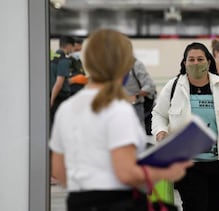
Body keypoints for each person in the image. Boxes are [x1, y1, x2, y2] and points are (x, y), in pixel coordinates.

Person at [49, 28, 192, 211]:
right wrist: (167, 172)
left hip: (78, 202)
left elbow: (59, 172)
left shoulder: (67, 109)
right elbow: (126, 173)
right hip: (117, 204)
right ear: (123, 64)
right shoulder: (118, 110)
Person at [151, 42, 219, 211]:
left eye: (200, 59)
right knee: (195, 205)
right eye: (191, 59)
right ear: (184, 63)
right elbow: (158, 114)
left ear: (209, 62)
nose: (196, 63)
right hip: (187, 163)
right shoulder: (174, 87)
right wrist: (161, 131)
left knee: (217, 205)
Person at [123, 58, 157, 134]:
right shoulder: (112, 65)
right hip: (120, 108)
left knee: (137, 135)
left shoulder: (135, 64)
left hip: (137, 107)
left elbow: (150, 86)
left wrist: (135, 96)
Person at [50, 36, 75, 128]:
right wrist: (51, 100)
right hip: (59, 97)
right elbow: (59, 83)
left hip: (51, 94)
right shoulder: (64, 60)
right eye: (72, 47)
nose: (72, 50)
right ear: (68, 46)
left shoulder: (52, 57)